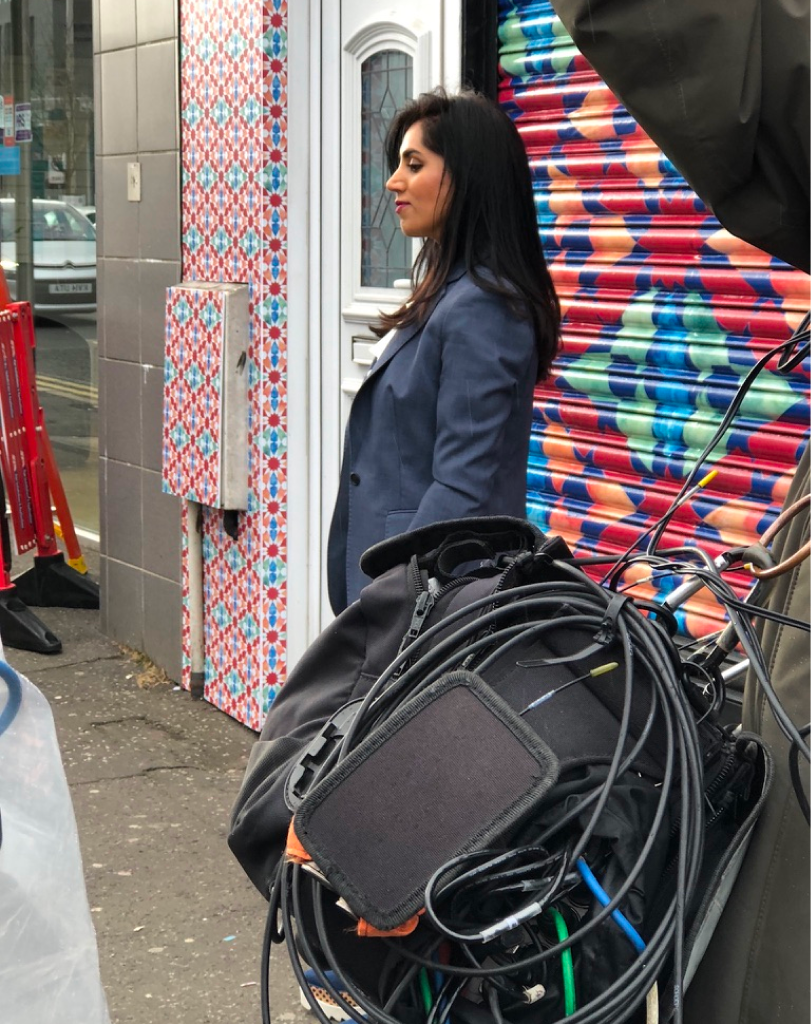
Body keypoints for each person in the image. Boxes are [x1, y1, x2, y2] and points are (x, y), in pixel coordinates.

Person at [327, 87, 561, 614]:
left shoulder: (483, 306)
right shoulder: (450, 292)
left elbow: (462, 487)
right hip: (410, 587)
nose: (394, 181)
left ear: (468, 176)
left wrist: (393, 596)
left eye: (414, 164)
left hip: (432, 597)